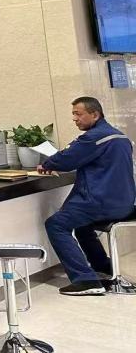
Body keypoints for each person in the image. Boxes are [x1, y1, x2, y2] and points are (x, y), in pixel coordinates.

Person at [38, 96, 135, 296]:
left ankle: (85, 280)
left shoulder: (94, 137)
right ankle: (103, 268)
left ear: (95, 114)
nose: (74, 118)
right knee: (83, 226)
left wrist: (47, 164)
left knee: (56, 224)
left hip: (101, 203)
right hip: (126, 204)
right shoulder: (120, 137)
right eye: (73, 114)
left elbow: (67, 159)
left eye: (78, 114)